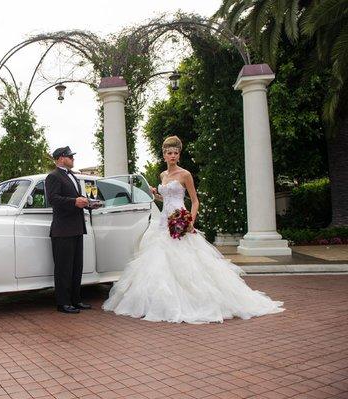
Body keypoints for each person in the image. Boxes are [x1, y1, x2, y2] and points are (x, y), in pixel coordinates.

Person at [103, 136, 284, 323]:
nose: (172, 156)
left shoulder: (185, 175)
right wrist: (156, 194)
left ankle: (199, 302)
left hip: (181, 220)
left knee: (188, 262)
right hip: (164, 222)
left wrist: (190, 221)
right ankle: (159, 304)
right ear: (164, 156)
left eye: (175, 153)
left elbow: (195, 201)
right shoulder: (162, 176)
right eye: (169, 153)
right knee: (159, 262)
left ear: (179, 155)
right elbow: (166, 200)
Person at [46, 146, 92, 314]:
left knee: (76, 267)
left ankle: (75, 300)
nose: (73, 159)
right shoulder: (53, 176)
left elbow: (75, 198)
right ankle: (63, 303)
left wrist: (88, 203)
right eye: (70, 156)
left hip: (77, 227)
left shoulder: (72, 175)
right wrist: (74, 201)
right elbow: (53, 199)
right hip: (62, 229)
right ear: (60, 158)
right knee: (63, 268)